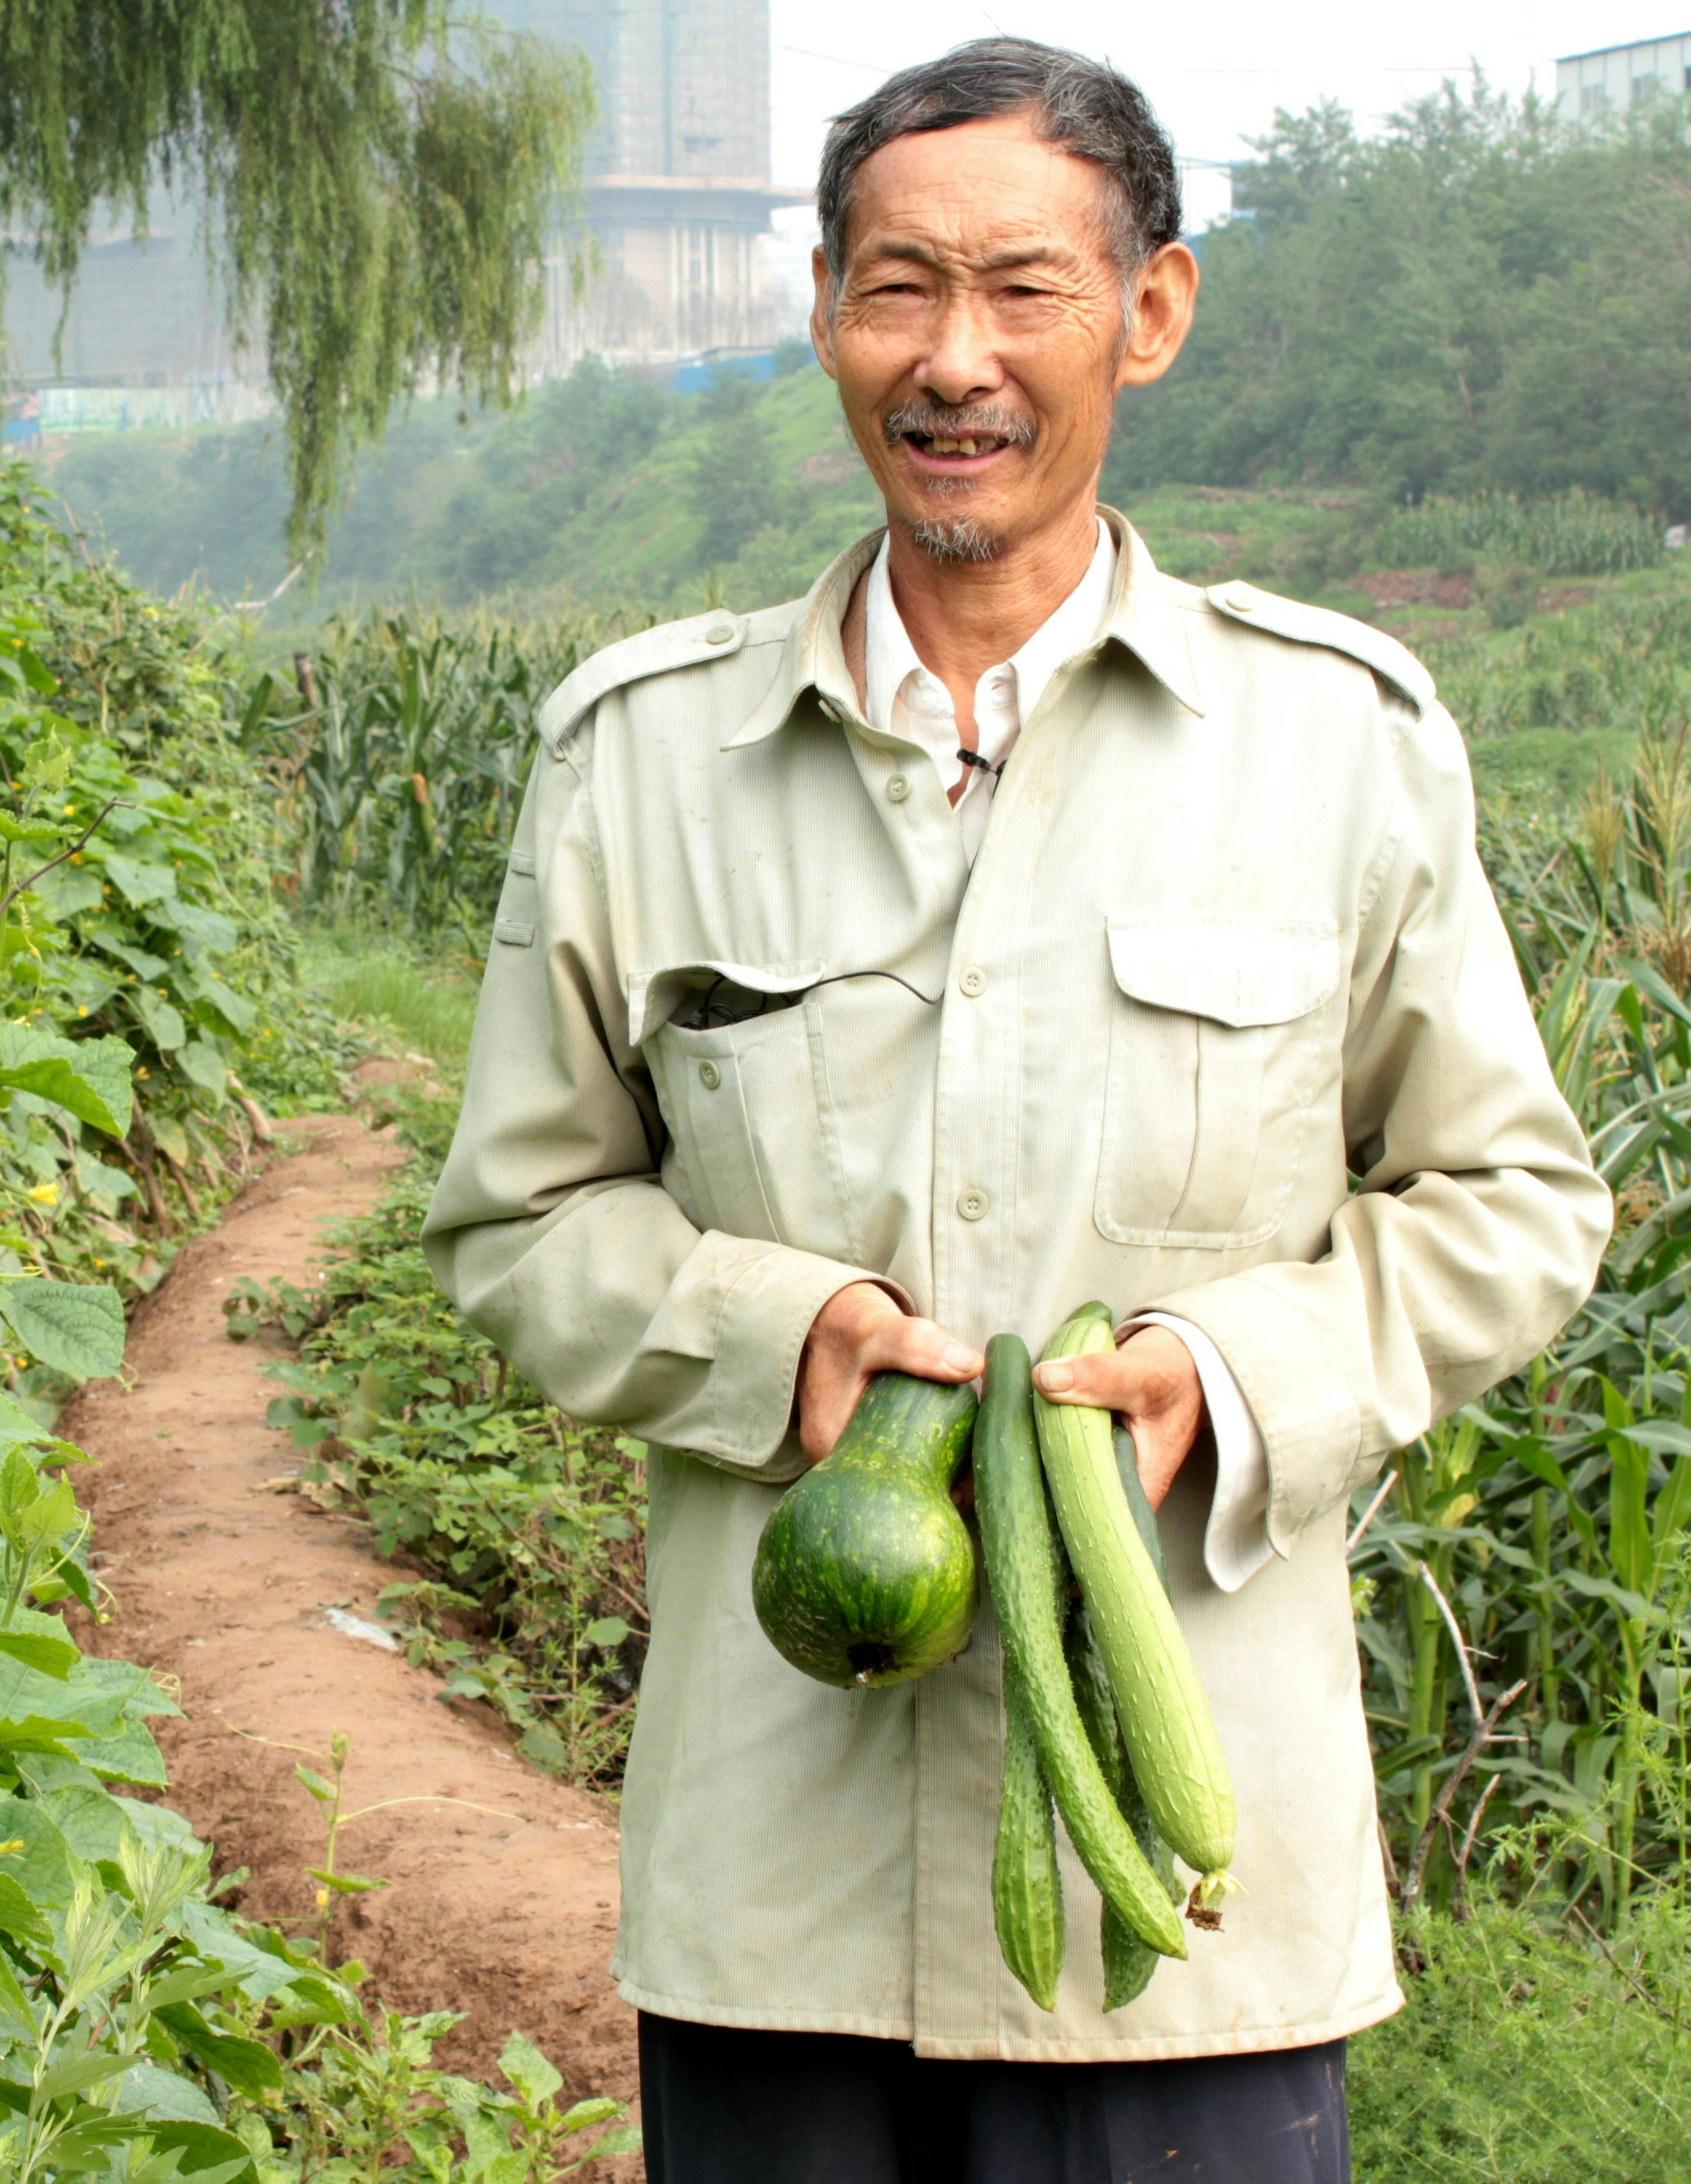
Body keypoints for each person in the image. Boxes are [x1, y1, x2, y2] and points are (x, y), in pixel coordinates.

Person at [422, 36, 1613, 2184]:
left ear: (1150, 311)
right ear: (818, 308)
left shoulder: (1335, 743)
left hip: (1170, 1891)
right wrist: (782, 1344)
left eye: (1023, 292)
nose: (952, 359)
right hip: (769, 1881)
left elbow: (1509, 1195)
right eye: (897, 288)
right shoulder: (643, 759)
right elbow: (517, 1218)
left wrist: (1226, 1378)